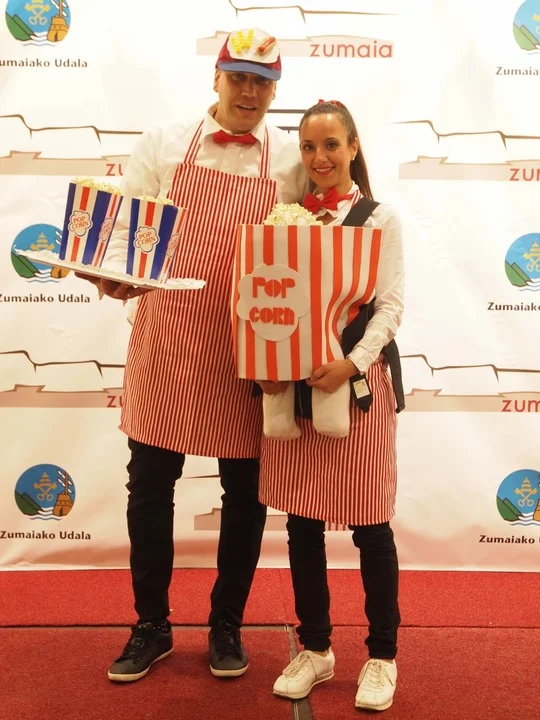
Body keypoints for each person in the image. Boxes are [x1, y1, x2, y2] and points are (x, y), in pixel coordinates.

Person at [77, 28, 306, 683]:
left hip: (248, 350)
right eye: (238, 77)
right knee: (149, 488)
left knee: (245, 494)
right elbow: (122, 231)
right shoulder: (164, 143)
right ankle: (150, 624)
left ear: (275, 90)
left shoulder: (291, 161)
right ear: (216, 77)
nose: (248, 92)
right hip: (169, 339)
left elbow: (310, 251)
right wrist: (108, 274)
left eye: (262, 81)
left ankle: (226, 625)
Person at [257, 100, 405, 711]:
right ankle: (316, 648)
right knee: (302, 523)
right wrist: (266, 364)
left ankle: (382, 656)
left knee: (371, 526)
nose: (320, 158)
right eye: (309, 147)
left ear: (353, 147)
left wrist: (352, 363)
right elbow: (265, 298)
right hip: (296, 387)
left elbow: (390, 307)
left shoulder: (378, 218)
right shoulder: (284, 217)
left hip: (358, 388)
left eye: (331, 145)